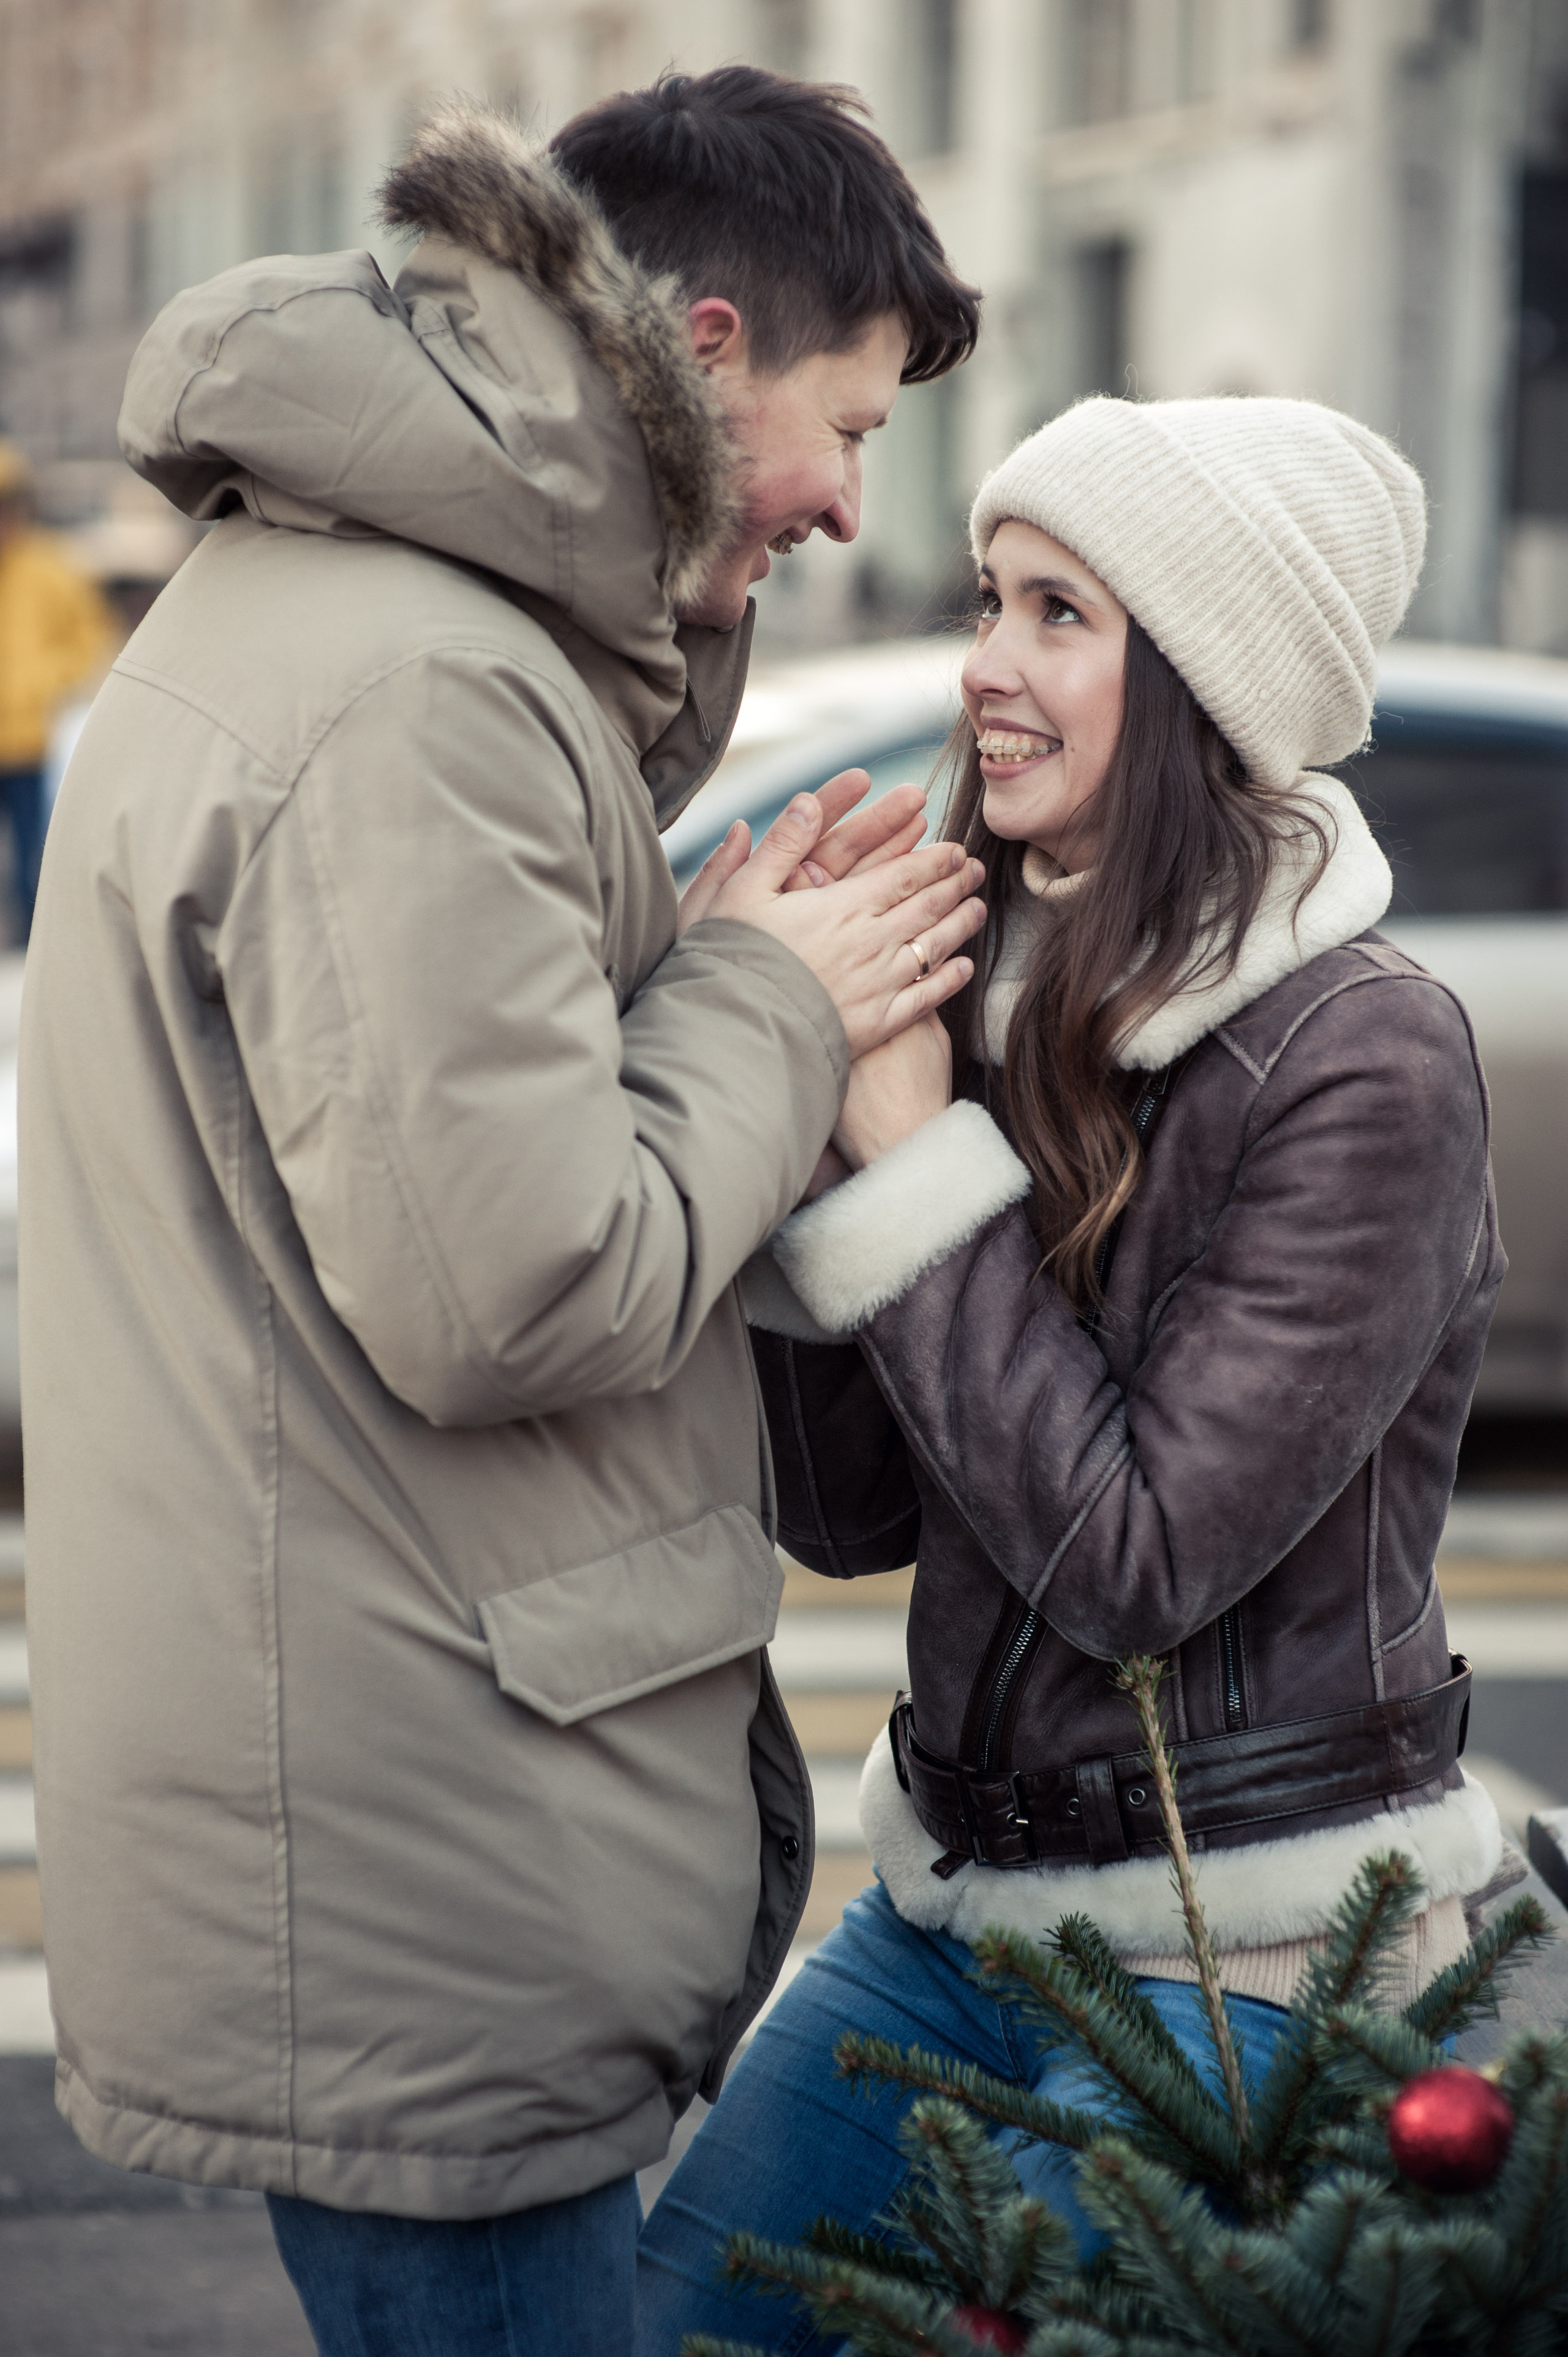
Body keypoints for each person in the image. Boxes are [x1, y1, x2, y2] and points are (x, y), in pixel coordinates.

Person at [18, 71, 987, 2356]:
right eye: (847, 426)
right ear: (711, 341)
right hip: (416, 1849)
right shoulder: (423, 692)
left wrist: (694, 960)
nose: (856, 506)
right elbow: (519, 1279)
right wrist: (763, 985)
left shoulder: (374, 621)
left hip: (374, 1787)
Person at [637, 394, 1515, 2352]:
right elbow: (854, 1510)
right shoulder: (1003, 979)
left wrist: (908, 1153)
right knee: (672, 2321)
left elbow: (1138, 1559)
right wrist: (780, 1096)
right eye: (988, 600)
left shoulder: (1362, 1057)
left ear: (1201, 677)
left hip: (1248, 1959)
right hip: (944, 1914)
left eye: (1058, 615)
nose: (982, 667)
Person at [0, 441, 115, 940]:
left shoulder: (54, 569)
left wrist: (46, 682)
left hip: (31, 744)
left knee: (35, 859)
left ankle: (30, 954)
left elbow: (91, 639)